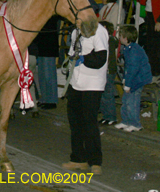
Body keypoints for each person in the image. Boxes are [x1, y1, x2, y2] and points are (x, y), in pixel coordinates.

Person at [62, 23, 108, 175]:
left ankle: (95, 161)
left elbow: (101, 57)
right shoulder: (76, 31)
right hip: (76, 82)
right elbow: (71, 52)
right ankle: (78, 158)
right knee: (75, 121)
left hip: (92, 84)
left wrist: (84, 59)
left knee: (90, 122)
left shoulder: (99, 31)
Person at [114, 25, 152, 132]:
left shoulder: (134, 51)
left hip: (138, 79)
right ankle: (126, 121)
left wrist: (128, 84)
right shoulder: (129, 48)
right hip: (134, 78)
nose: (119, 37)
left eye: (121, 36)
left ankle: (135, 123)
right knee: (126, 100)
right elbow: (128, 68)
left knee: (132, 102)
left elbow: (133, 69)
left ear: (126, 38)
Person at [98, 21, 118, 126]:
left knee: (107, 94)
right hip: (106, 70)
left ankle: (111, 116)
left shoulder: (108, 39)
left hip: (108, 70)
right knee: (104, 94)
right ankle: (106, 116)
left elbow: (108, 56)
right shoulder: (109, 39)